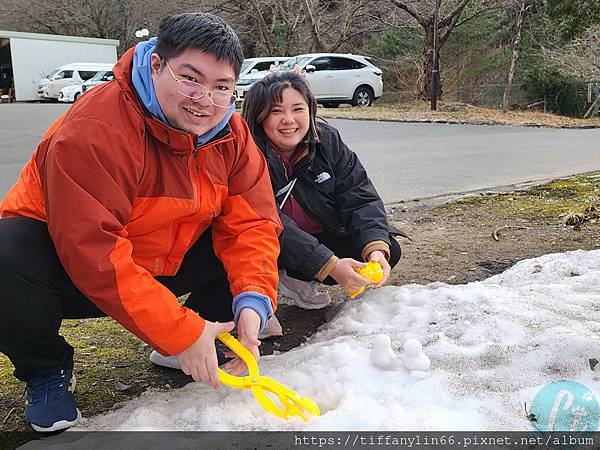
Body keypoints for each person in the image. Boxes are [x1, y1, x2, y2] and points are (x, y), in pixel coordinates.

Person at [0, 13, 281, 433]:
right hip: (73, 270)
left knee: (259, 242)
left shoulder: (233, 136)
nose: (204, 99)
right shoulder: (96, 129)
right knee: (6, 250)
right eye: (190, 78)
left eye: (221, 87)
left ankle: (206, 332)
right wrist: (177, 329)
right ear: (155, 64)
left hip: (160, 261)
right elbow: (93, 250)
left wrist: (254, 304)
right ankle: (46, 370)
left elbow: (253, 225)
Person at [242, 71, 402, 332]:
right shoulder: (247, 153)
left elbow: (359, 194)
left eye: (298, 109)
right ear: (258, 116)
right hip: (268, 240)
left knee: (387, 248)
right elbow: (267, 221)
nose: (289, 120)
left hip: (316, 235)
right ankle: (265, 290)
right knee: (259, 245)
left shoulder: (327, 140)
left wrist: (375, 248)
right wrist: (329, 264)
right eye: (276, 111)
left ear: (311, 110)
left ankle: (293, 277)